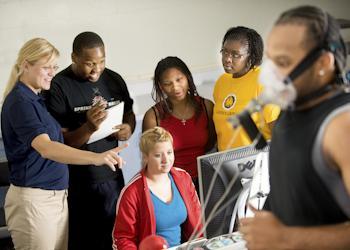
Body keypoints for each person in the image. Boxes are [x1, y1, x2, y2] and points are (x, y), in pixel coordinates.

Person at [240, 6, 350, 249]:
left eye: (283, 61)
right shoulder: (291, 113)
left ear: (323, 63)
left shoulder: (341, 125)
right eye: (271, 60)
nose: (270, 73)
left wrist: (286, 238)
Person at [1, 38, 125, 250]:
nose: (52, 72)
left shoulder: (35, 99)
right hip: (35, 201)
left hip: (54, 198)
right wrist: (96, 158)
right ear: (26, 65)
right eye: (46, 67)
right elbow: (46, 148)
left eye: (54, 67)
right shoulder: (20, 102)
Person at [45, 32, 136, 250]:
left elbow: (130, 113)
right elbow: (60, 143)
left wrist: (128, 128)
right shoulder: (59, 86)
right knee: (85, 242)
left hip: (112, 176)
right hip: (77, 182)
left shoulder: (113, 79)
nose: (97, 69)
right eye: (89, 64)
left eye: (102, 61)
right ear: (74, 57)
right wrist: (88, 128)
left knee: (117, 238)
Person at [112, 127, 202, 249]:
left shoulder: (183, 178)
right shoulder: (131, 192)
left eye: (169, 152)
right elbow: (123, 238)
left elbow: (198, 222)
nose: (166, 160)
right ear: (145, 157)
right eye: (158, 155)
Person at [142, 56, 216, 189]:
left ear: (187, 77)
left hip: (206, 181)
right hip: (170, 184)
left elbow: (211, 144)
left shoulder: (207, 107)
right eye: (167, 83)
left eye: (179, 79)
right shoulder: (153, 117)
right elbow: (149, 162)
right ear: (160, 86)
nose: (175, 87)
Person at [213, 26, 280, 151]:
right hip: (225, 162)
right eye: (225, 52)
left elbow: (278, 132)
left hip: (257, 161)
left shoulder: (263, 82)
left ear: (251, 57)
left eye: (235, 55)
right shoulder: (221, 82)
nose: (227, 59)